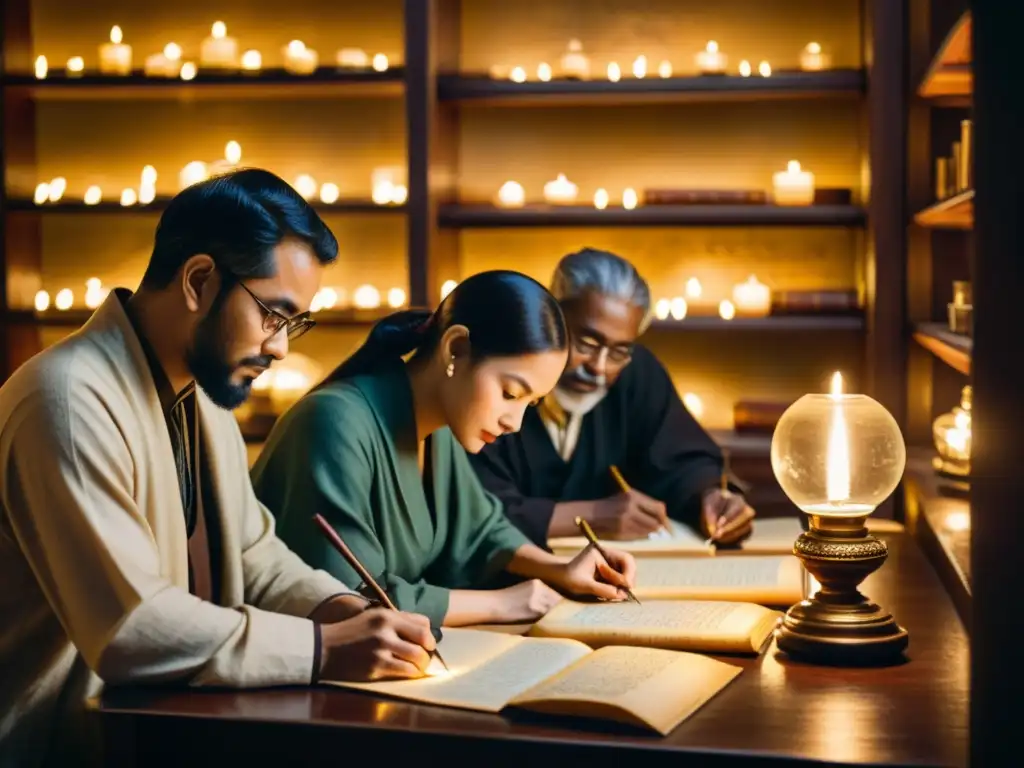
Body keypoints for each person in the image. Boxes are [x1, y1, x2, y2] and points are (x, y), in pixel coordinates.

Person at [0, 169, 436, 768]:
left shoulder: (201, 397)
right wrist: (322, 648)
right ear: (199, 281)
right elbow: (133, 630)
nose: (281, 348)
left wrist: (340, 609)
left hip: (167, 726)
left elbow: (253, 555)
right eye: (273, 315)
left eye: (293, 324)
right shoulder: (67, 400)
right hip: (62, 742)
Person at [250, 270, 636, 630]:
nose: (514, 423)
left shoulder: (441, 432)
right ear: (456, 348)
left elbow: (482, 531)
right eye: (510, 393)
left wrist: (559, 568)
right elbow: (345, 600)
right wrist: (503, 604)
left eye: (530, 404)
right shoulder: (333, 423)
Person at [469, 248, 757, 547]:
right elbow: (469, 512)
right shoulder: (501, 372)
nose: (599, 367)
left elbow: (680, 461)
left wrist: (711, 497)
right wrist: (591, 515)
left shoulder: (637, 373)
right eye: (587, 342)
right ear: (550, 315)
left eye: (619, 351)